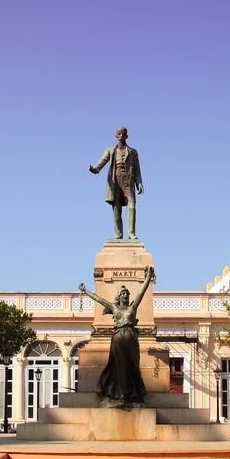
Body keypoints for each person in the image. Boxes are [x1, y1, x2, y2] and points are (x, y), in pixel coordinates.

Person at [78, 265, 154, 406]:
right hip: (118, 337)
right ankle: (121, 395)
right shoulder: (114, 308)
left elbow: (141, 293)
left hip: (131, 337)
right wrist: (85, 291)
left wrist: (148, 277)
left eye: (127, 294)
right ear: (119, 297)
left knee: (133, 365)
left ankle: (135, 393)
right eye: (123, 293)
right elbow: (99, 299)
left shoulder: (132, 307)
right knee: (119, 366)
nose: (126, 295)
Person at [88, 127, 143, 240]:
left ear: (127, 136)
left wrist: (140, 183)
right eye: (119, 133)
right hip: (115, 180)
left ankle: (131, 233)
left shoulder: (133, 152)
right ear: (116, 136)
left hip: (128, 181)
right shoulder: (111, 150)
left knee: (131, 206)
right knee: (116, 208)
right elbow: (103, 160)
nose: (121, 135)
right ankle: (118, 234)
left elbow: (137, 169)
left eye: (123, 134)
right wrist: (96, 169)